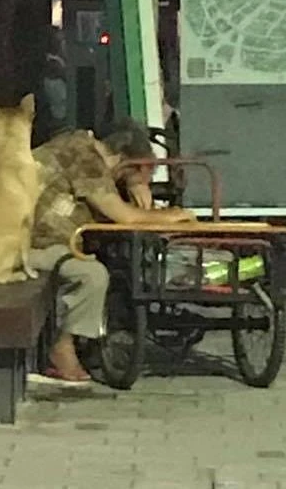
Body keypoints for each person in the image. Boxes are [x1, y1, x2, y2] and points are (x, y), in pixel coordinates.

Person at [29, 119, 196, 382]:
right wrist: (173, 216)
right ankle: (61, 347)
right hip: (25, 245)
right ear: (130, 162)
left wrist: (133, 183)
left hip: (39, 240)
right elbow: (123, 216)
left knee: (101, 258)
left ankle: (84, 338)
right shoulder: (83, 157)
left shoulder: (81, 146)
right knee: (92, 274)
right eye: (147, 170)